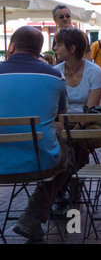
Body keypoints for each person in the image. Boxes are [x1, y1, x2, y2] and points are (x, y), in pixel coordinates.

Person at [0, 26, 69, 242]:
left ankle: (33, 219)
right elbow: (61, 112)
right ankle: (32, 216)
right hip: (41, 163)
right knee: (71, 155)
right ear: (40, 50)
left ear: (11, 47)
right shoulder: (55, 76)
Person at [53, 28, 101, 214]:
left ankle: (63, 194)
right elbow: (52, 110)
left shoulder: (95, 72)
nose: (54, 48)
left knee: (76, 140)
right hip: (61, 121)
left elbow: (89, 111)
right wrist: (62, 128)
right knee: (69, 142)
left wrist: (71, 131)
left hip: (89, 121)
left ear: (72, 48)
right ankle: (72, 195)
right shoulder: (55, 73)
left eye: (58, 44)